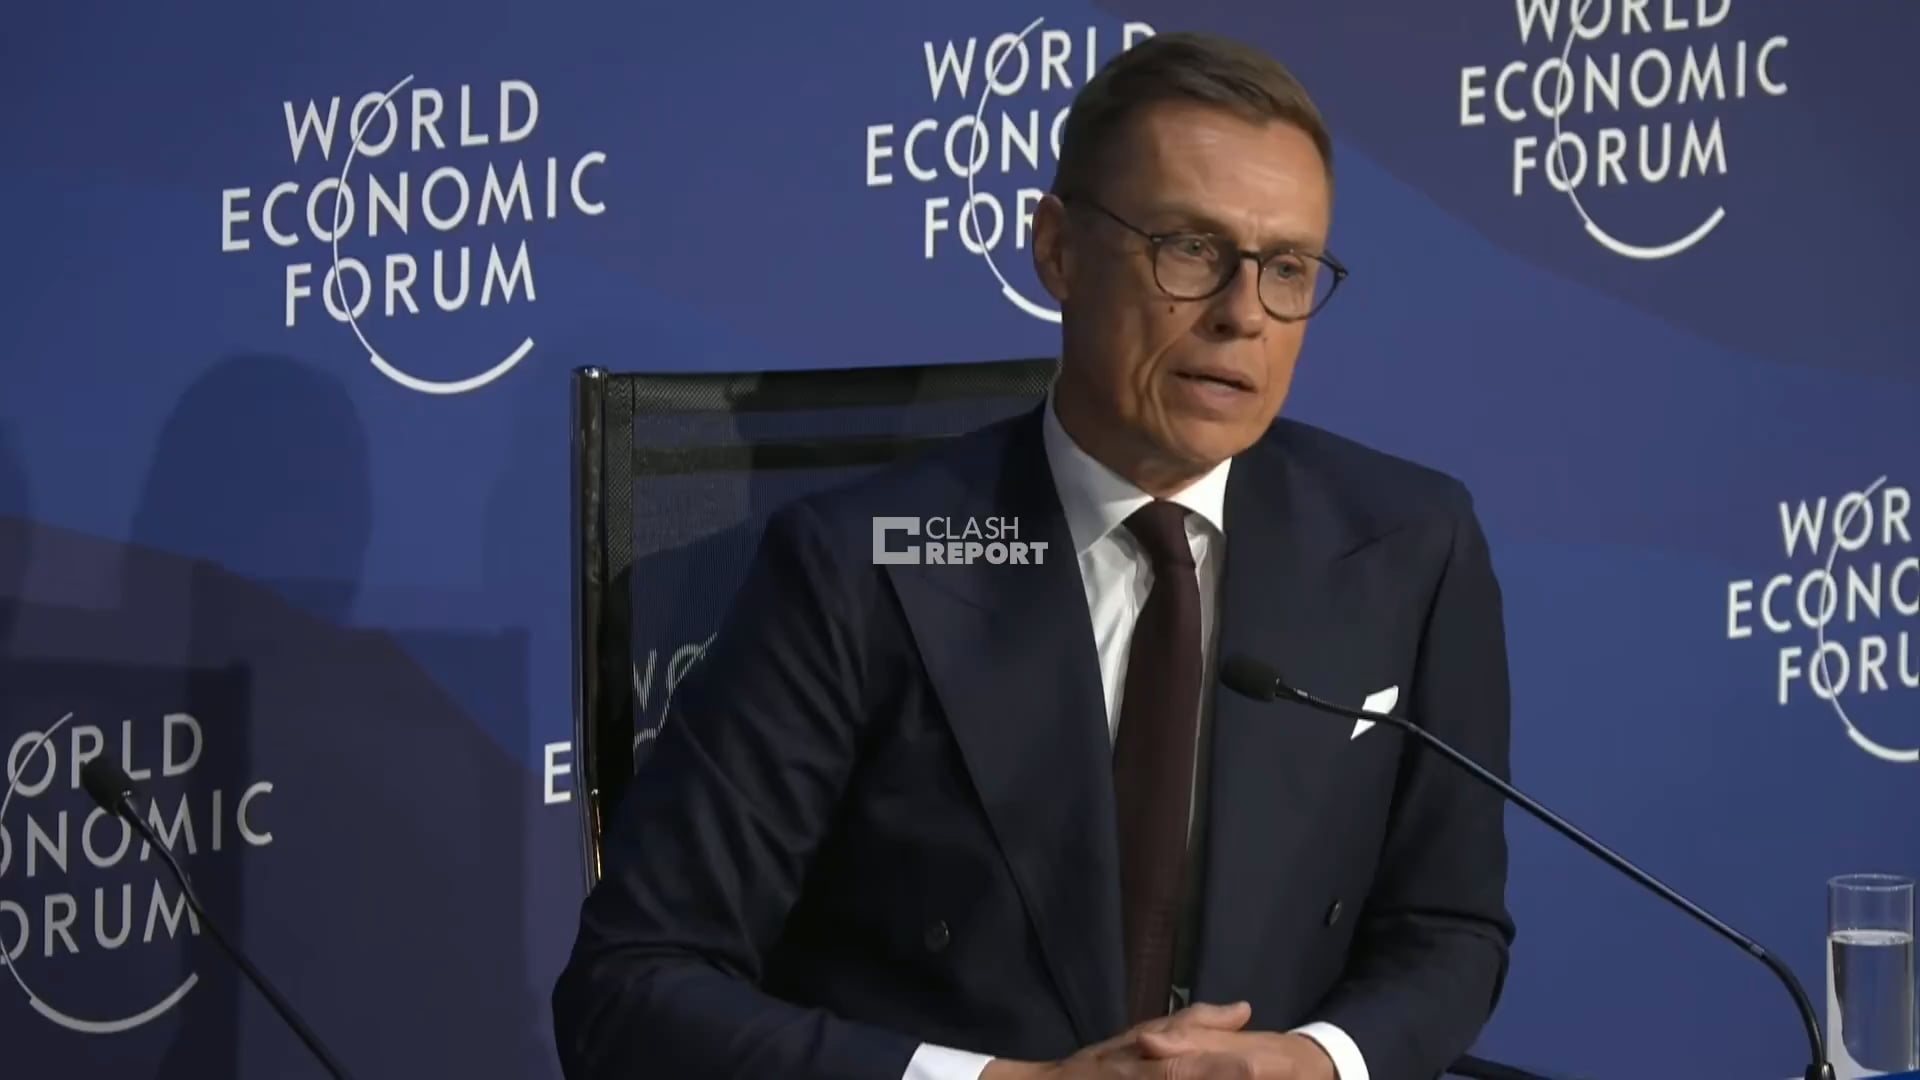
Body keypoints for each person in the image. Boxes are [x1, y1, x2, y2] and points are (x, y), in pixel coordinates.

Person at [552, 30, 1514, 1080]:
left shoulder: (1407, 547)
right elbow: (631, 987)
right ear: (1058, 251)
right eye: (1190, 249)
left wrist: (1317, 1064)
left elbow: (1448, 928)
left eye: (1286, 267)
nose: (1243, 315)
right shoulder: (858, 569)